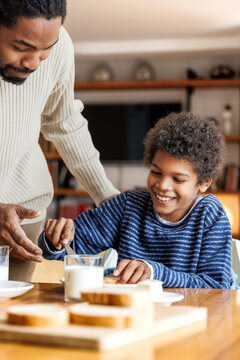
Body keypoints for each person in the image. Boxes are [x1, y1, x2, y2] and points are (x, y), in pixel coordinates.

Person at [39, 112, 233, 289]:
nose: (163, 185)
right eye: (156, 172)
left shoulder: (210, 215)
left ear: (204, 182)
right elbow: (71, 248)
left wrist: (152, 272)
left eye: (178, 179)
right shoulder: (128, 206)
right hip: (134, 314)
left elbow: (216, 286)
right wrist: (56, 237)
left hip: (193, 318)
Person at [0, 0, 119, 281]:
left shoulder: (61, 45)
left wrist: (109, 197)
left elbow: (64, 122)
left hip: (22, 221)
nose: (33, 63)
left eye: (45, 50)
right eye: (20, 48)